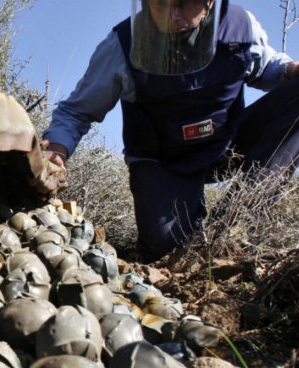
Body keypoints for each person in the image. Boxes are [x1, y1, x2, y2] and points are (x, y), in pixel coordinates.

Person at [41, 0, 299, 263]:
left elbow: (265, 67)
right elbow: (77, 111)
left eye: (184, 4)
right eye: (161, 4)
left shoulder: (239, 26)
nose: (172, 16)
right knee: (169, 252)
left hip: (225, 144)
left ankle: (236, 221)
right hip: (163, 162)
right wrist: (56, 150)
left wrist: (289, 70)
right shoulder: (122, 44)